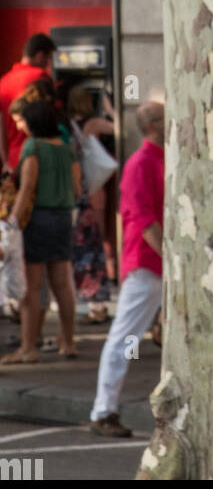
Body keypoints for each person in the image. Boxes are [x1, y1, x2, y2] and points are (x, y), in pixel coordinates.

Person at [89, 101, 164, 438]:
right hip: (148, 264)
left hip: (158, 264)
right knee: (124, 337)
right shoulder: (139, 163)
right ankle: (103, 411)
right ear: (151, 125)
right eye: (164, 118)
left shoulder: (160, 159)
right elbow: (145, 219)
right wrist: (171, 260)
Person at [0, 91, 80, 365]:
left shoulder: (33, 147)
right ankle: (68, 342)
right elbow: (78, 187)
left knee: (32, 288)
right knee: (62, 284)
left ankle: (27, 348)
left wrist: (11, 221)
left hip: (39, 219)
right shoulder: (66, 149)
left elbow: (27, 188)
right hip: (64, 218)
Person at [67, 85, 113, 324]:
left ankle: (90, 300)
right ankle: (98, 302)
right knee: (98, 244)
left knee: (82, 247)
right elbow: (122, 127)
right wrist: (111, 109)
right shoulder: (92, 124)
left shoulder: (66, 127)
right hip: (94, 190)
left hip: (77, 193)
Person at [0, 33, 56, 178]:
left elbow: (1, 126)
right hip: (39, 156)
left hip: (13, 159)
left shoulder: (4, 81)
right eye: (48, 58)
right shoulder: (40, 77)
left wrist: (5, 160)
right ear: (39, 55)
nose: (48, 65)